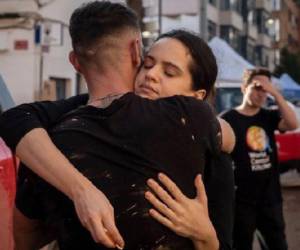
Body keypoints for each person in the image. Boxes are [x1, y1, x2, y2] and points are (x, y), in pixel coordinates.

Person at [0, 2, 234, 250]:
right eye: (149, 63)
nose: (153, 74)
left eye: (170, 72)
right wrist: (81, 193)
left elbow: (26, 236)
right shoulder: (62, 128)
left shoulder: (206, 142)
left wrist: (205, 236)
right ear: (137, 52)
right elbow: (18, 117)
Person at [221, 67, 298, 250]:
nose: (261, 93)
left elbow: (293, 124)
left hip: (270, 199)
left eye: (265, 89)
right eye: (257, 87)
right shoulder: (227, 119)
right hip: (241, 201)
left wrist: (275, 94)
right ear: (243, 88)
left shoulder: (268, 117)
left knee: (277, 245)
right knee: (241, 245)